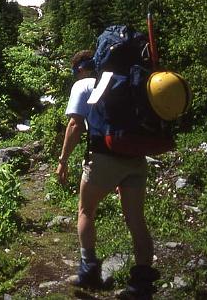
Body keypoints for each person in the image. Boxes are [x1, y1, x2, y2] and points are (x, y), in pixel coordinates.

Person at [56, 50, 159, 299]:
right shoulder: (125, 81)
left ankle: (88, 270)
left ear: (80, 69)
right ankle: (142, 283)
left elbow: (75, 124)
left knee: (86, 211)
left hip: (104, 156)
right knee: (136, 219)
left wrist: (63, 160)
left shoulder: (83, 85)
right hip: (135, 155)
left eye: (74, 71)